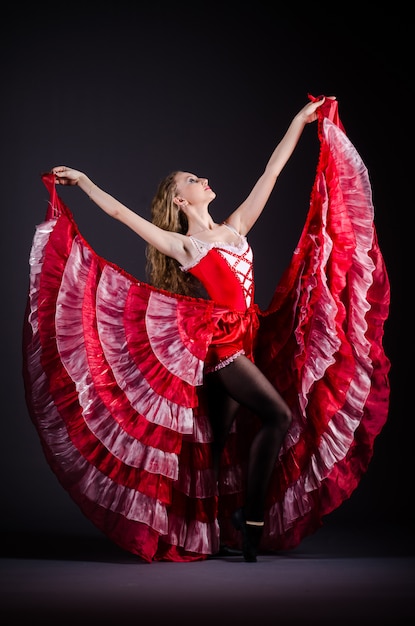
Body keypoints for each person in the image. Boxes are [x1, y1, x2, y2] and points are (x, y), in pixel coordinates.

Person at [23, 95, 390, 564]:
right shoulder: (186, 245)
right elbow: (121, 217)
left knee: (214, 446)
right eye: (193, 180)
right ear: (181, 199)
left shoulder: (236, 227)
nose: (204, 181)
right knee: (277, 417)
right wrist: (87, 182)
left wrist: (300, 121)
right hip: (223, 349)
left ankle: (203, 528)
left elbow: (271, 175)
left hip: (250, 340)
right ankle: (251, 522)